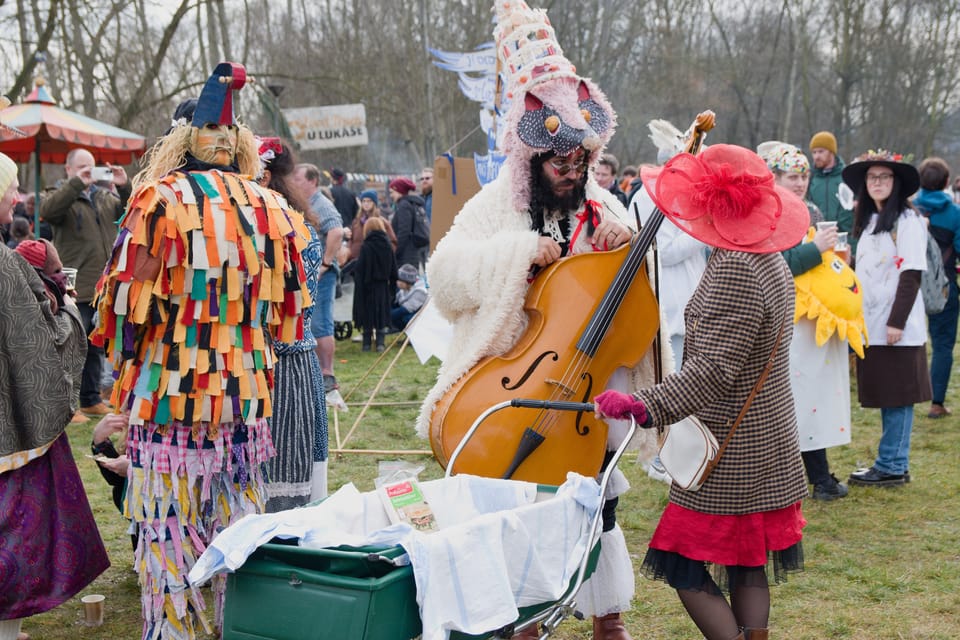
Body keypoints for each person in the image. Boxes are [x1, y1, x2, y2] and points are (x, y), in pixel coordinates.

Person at [417, 3, 661, 637]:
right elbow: (443, 278)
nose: (573, 169)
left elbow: (632, 308)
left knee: (595, 512)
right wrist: (517, 253)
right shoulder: (494, 207)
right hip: (506, 387)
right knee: (514, 517)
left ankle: (607, 620)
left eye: (581, 158)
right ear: (529, 157)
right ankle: (523, 622)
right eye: (559, 160)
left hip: (580, 394)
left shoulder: (603, 203)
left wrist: (623, 243)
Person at [91, 63, 311, 639]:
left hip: (168, 406)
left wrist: (133, 366)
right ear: (235, 142)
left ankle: (175, 632)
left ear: (182, 143)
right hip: (245, 404)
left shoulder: (157, 201)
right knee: (235, 536)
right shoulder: (272, 210)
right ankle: (235, 628)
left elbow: (121, 313)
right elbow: (290, 317)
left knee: (169, 535)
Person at [595, 144, 810, 640]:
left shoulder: (736, 263)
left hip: (733, 451)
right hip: (766, 438)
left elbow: (714, 370)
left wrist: (642, 404)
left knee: (682, 563)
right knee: (745, 563)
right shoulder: (767, 255)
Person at [0, 151, 110, 640]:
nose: (17, 197)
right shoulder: (5, 267)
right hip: (8, 431)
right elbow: (39, 347)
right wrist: (67, 312)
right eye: (10, 187)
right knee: (14, 532)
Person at [760, 141, 864, 502]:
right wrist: (815, 250)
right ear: (773, 178)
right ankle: (790, 478)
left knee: (812, 399)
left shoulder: (811, 209)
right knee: (789, 400)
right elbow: (776, 264)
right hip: (784, 321)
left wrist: (836, 260)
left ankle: (819, 477)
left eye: (803, 175)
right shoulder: (767, 212)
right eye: (792, 176)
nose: (800, 182)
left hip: (813, 322)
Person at [843, 150, 931, 487]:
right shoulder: (870, 222)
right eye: (872, 177)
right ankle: (891, 460)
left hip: (896, 325)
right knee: (889, 393)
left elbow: (911, 275)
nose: (877, 182)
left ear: (896, 184)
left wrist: (896, 321)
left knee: (898, 395)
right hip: (873, 323)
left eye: (884, 177)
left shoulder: (907, 221)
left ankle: (893, 465)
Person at [256, 138, 330, 510]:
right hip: (289, 360)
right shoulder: (297, 225)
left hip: (283, 366)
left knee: (284, 459)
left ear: (265, 177)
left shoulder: (285, 232)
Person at [39, 147, 130, 419]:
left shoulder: (105, 198)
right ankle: (68, 403)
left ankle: (90, 398)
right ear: (68, 170)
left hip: (103, 288)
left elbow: (129, 214)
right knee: (71, 347)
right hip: (73, 286)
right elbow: (49, 211)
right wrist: (78, 182)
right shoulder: (57, 196)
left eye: (92, 167)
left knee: (95, 346)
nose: (89, 172)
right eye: (82, 167)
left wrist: (124, 188)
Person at [912, 157, 960, 419]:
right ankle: (936, 403)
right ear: (945, 182)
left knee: (908, 341)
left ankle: (905, 393)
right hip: (944, 286)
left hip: (910, 283)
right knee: (942, 345)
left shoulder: (909, 208)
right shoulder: (955, 213)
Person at [292, 163, 344, 393]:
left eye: (299, 179)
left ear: (312, 181)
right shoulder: (305, 204)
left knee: (321, 324)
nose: (294, 183)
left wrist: (325, 263)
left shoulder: (321, 204)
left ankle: (328, 374)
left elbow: (337, 231)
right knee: (311, 323)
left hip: (322, 275)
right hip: (310, 274)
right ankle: (316, 372)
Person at [352, 217, 398, 352]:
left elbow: (360, 269)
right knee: (381, 314)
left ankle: (366, 343)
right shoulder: (388, 246)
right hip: (382, 286)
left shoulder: (366, 246)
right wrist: (392, 288)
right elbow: (393, 270)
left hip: (367, 286)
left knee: (368, 314)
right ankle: (380, 342)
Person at [807, 131, 853, 238]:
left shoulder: (847, 176)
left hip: (845, 238)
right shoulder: (809, 178)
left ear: (832, 152)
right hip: (818, 239)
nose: (816, 156)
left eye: (821, 151)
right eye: (814, 152)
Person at [347, 188, 397, 265]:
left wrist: (384, 256)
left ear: (374, 203)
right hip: (355, 261)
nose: (366, 204)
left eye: (369, 201)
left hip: (375, 263)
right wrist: (349, 251)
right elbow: (351, 239)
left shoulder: (381, 221)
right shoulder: (356, 221)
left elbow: (393, 242)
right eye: (364, 201)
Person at [389, 176, 427, 271]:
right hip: (411, 253)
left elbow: (404, 231)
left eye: (392, 192)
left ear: (399, 191)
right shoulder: (410, 204)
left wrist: (396, 252)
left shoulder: (404, 206)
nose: (391, 195)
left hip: (405, 256)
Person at [392, 262, 428, 331]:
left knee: (404, 318)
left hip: (419, 317)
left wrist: (387, 316)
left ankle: (410, 334)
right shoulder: (403, 288)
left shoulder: (420, 291)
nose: (397, 282)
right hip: (409, 310)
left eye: (399, 280)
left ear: (407, 281)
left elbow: (406, 309)